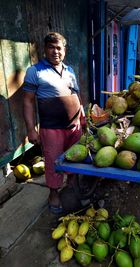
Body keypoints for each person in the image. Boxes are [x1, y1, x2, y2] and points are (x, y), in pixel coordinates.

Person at [23, 32, 86, 214]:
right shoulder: (35, 72)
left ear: (64, 50)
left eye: (59, 48)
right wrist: (31, 129)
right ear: (45, 49)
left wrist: (82, 117)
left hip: (74, 127)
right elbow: (27, 101)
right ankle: (54, 193)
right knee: (53, 162)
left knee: (75, 159)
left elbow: (76, 95)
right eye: (51, 47)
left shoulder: (70, 71)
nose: (55, 51)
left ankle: (72, 186)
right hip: (52, 128)